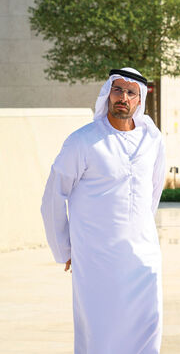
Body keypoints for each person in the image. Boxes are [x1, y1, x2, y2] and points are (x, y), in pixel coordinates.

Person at [41, 68, 166, 353]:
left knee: (148, 328)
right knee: (100, 334)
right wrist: (65, 249)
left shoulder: (153, 140)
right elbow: (52, 198)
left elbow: (153, 191)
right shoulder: (83, 140)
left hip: (144, 258)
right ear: (108, 93)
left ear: (140, 99)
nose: (123, 97)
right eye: (117, 90)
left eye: (130, 92)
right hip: (97, 259)